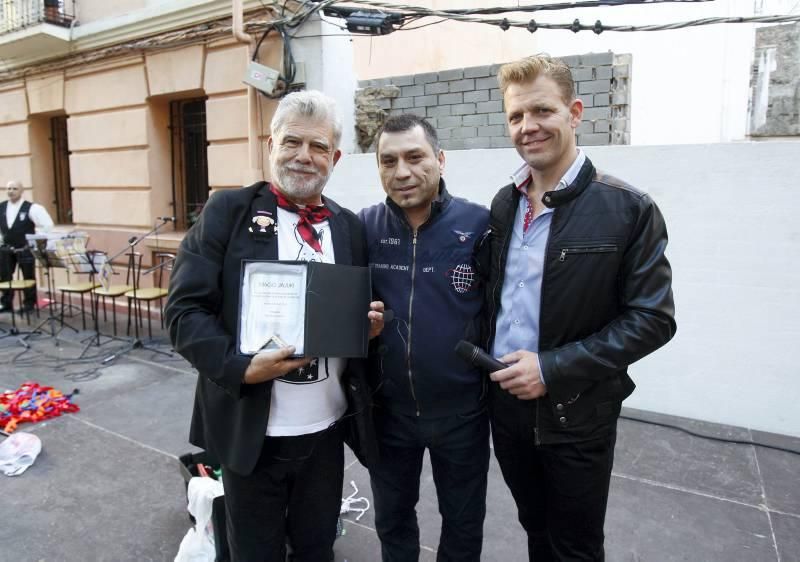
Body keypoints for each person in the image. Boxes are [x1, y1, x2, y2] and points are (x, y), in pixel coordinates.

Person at [165, 90, 384, 562]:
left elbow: (356, 314)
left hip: (325, 431)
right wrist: (241, 367)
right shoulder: (229, 213)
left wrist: (363, 328)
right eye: (292, 142)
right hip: (250, 435)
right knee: (253, 553)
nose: (304, 156)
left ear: (336, 157)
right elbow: (184, 312)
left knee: (316, 548)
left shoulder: (348, 228)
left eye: (319, 147)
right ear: (271, 145)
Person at [479, 55, 676, 561]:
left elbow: (653, 318)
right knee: (535, 530)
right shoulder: (505, 203)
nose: (529, 127)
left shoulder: (629, 208)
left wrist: (553, 367)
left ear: (574, 112)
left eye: (541, 111)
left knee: (576, 547)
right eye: (516, 116)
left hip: (577, 413)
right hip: (508, 408)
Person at [359, 114, 490, 561]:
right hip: (389, 413)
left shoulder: (480, 224)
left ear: (440, 159)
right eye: (388, 161)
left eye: (415, 157)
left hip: (462, 412)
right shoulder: (364, 228)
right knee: (393, 521)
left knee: (463, 523)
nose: (402, 172)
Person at [0, 180, 54, 314]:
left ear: (22, 191)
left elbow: (47, 225)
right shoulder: (1, 207)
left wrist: (34, 241)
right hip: (6, 249)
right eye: (9, 188)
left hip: (25, 248)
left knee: (28, 276)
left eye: (14, 188)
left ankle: (29, 304)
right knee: (5, 276)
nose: (11, 191)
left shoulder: (31, 208)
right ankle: (6, 303)